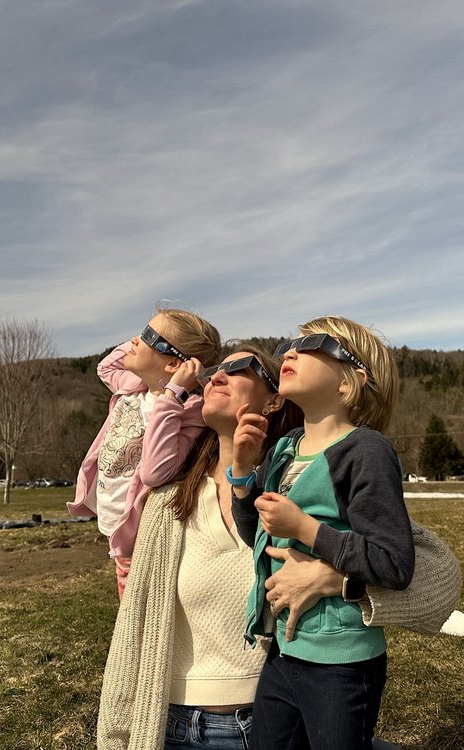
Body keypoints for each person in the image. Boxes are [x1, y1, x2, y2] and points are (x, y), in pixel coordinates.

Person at [98, 343, 354, 750]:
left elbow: (426, 570)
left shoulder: (304, 484)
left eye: (241, 370)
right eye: (215, 370)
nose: (216, 377)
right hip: (172, 726)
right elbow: (133, 631)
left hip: (278, 723)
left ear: (273, 399)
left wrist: (338, 579)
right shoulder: (166, 503)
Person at [230, 316, 415, 750]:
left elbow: (394, 562)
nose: (288, 352)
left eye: (312, 344)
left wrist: (307, 530)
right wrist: (241, 474)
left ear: (350, 382)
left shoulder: (365, 450)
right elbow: (257, 535)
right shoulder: (284, 448)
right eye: (287, 344)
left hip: (340, 660)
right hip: (282, 649)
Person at [68, 308, 222, 596]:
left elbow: (155, 472)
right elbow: (106, 367)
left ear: (175, 363)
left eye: (150, 336)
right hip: (112, 521)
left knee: (135, 615)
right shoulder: (133, 386)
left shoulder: (189, 411)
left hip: (138, 536)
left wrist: (172, 395)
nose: (135, 339)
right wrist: (144, 342)